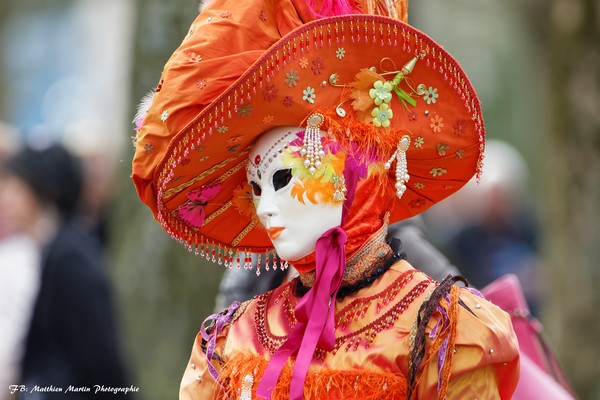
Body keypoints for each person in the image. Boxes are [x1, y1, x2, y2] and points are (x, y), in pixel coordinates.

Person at [131, 0, 520, 398]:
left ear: (357, 171)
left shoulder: (440, 330)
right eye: (256, 188)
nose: (264, 208)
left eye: (283, 177)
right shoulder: (234, 337)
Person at [1, 144, 129, 398]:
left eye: (15, 187)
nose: (6, 198)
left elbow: (101, 354)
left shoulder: (71, 257)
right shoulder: (51, 249)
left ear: (43, 189)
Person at [214, 216, 461, 312]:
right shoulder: (258, 261)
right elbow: (218, 361)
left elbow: (466, 319)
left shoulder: (397, 242)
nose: (269, 207)